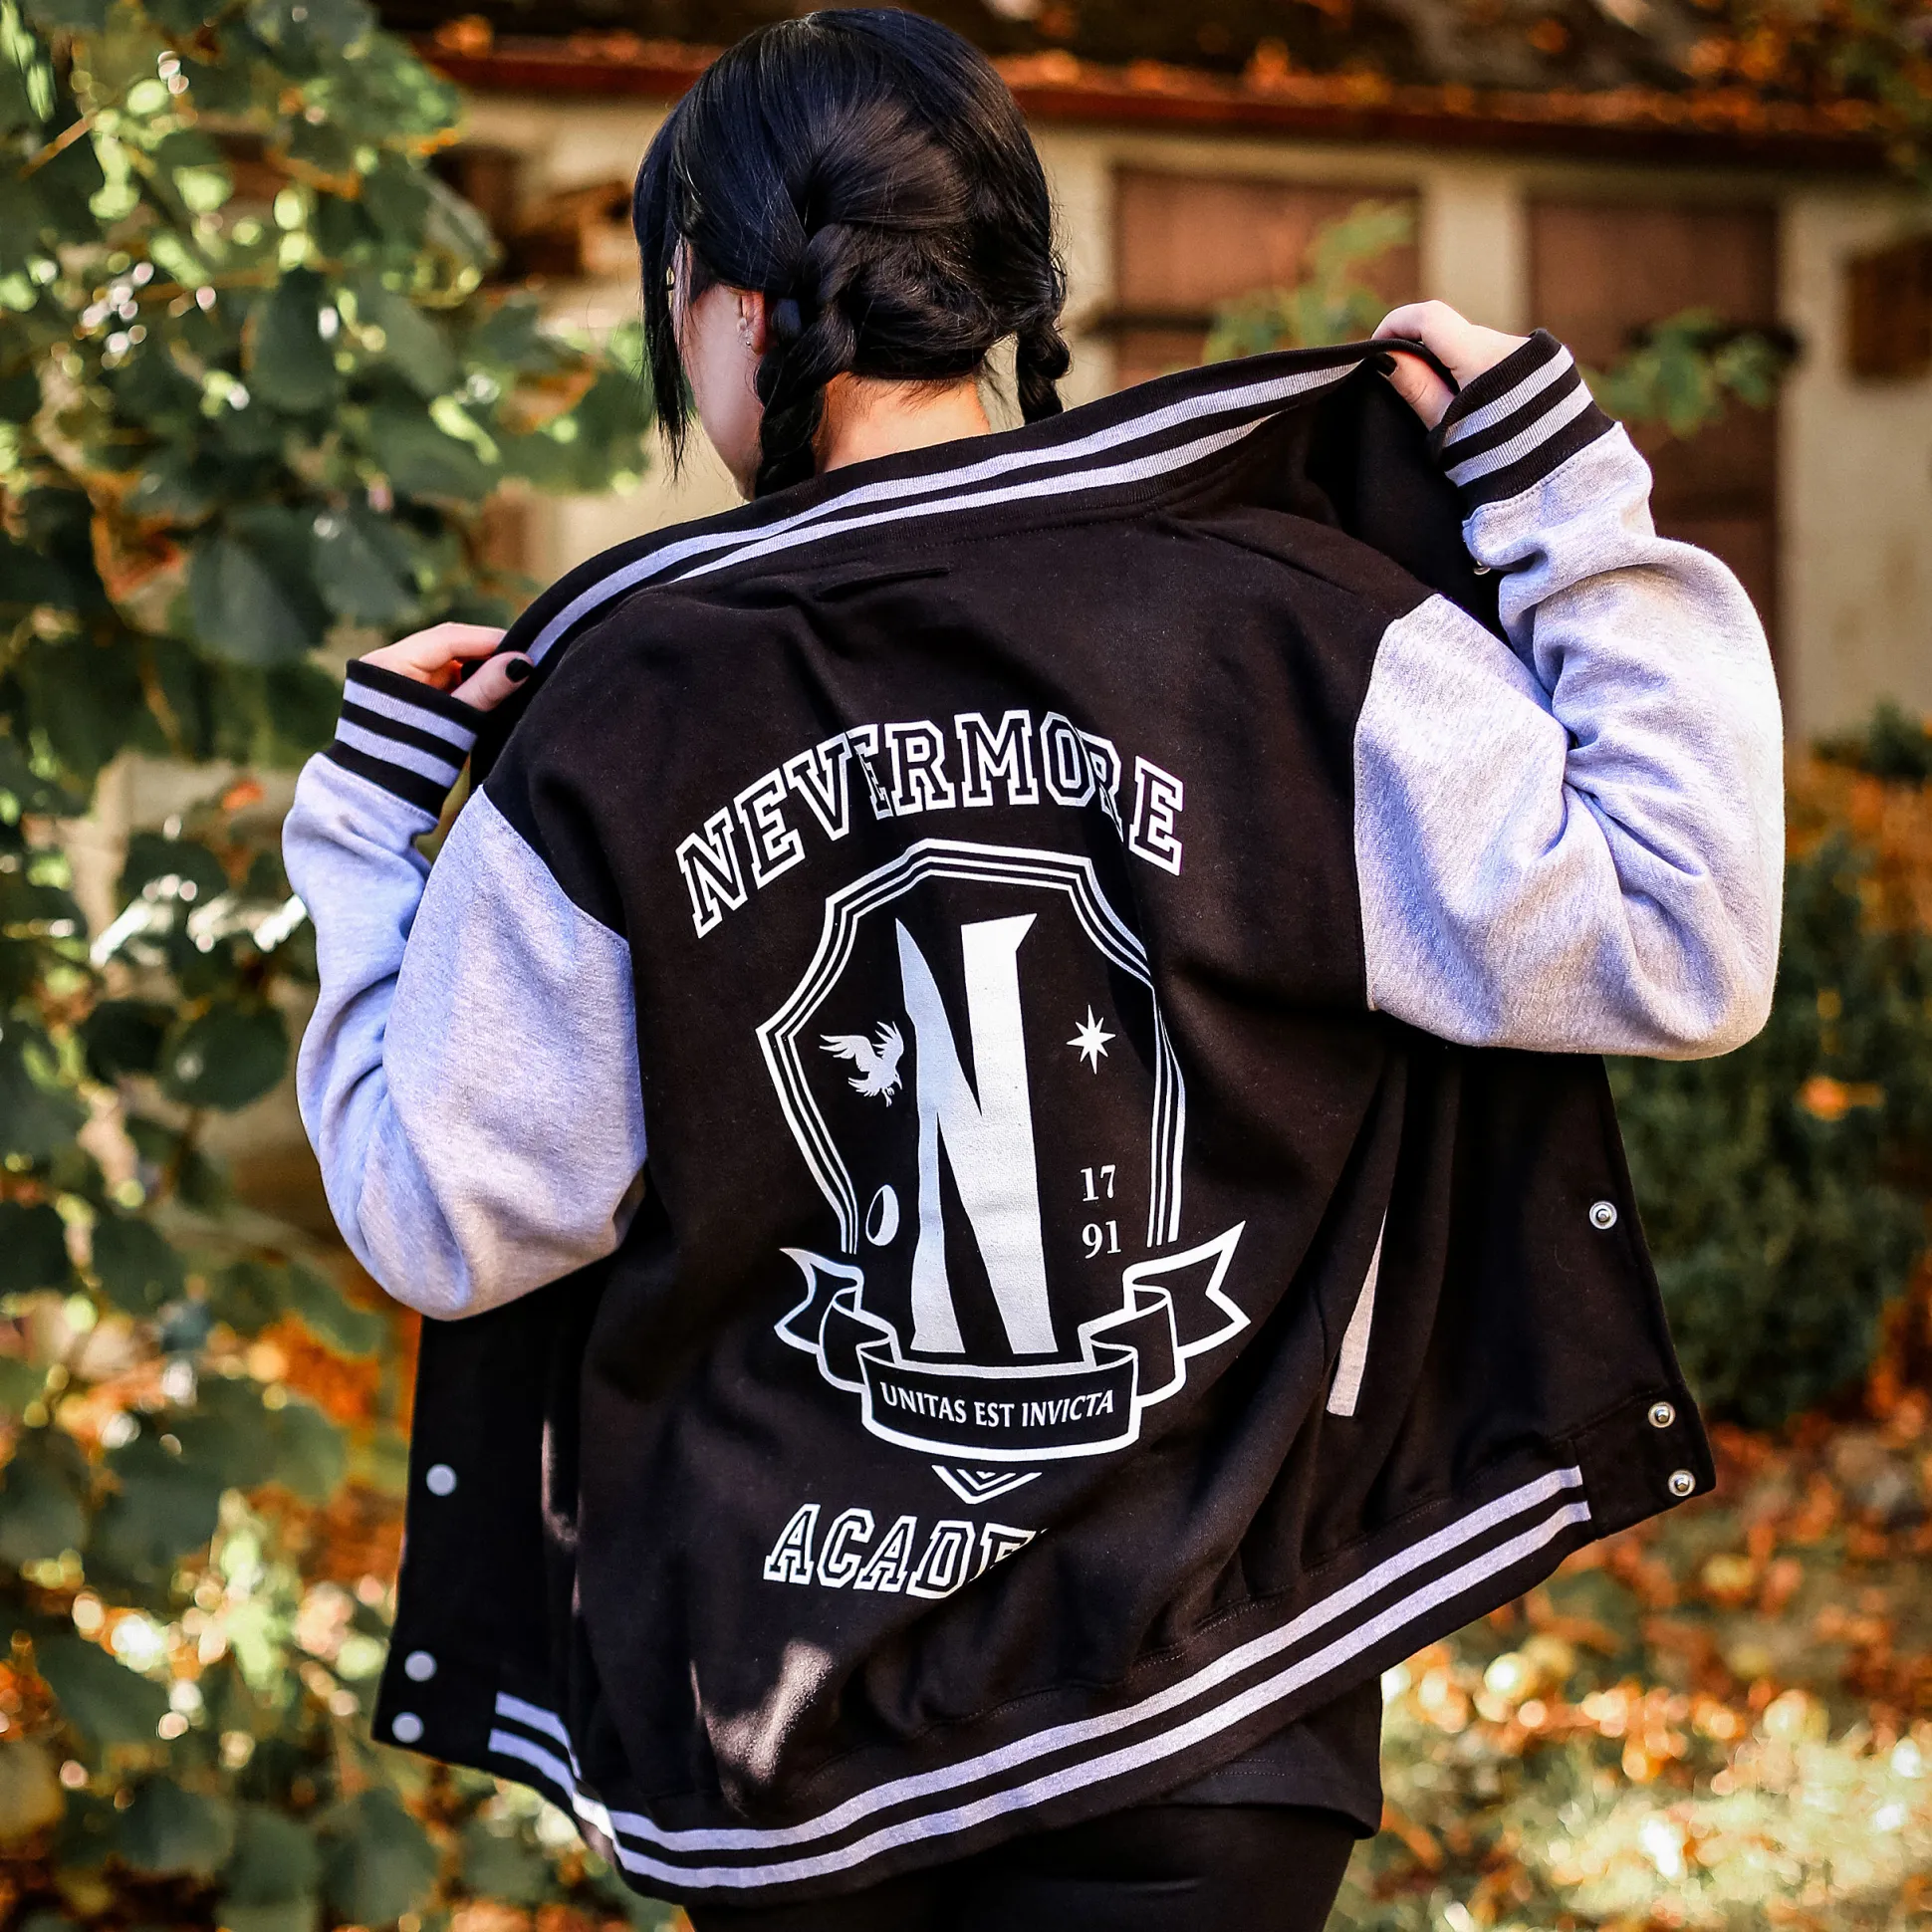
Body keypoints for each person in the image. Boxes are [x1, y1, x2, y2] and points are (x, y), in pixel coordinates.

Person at [284, 11, 1783, 1929]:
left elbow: (446, 1221)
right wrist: (1564, 500)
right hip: (1213, 1712)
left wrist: (365, 839)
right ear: (995, 284)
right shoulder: (1281, 624)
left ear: (726, 302)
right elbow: (1681, 936)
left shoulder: (623, 713)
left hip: (795, 1745)